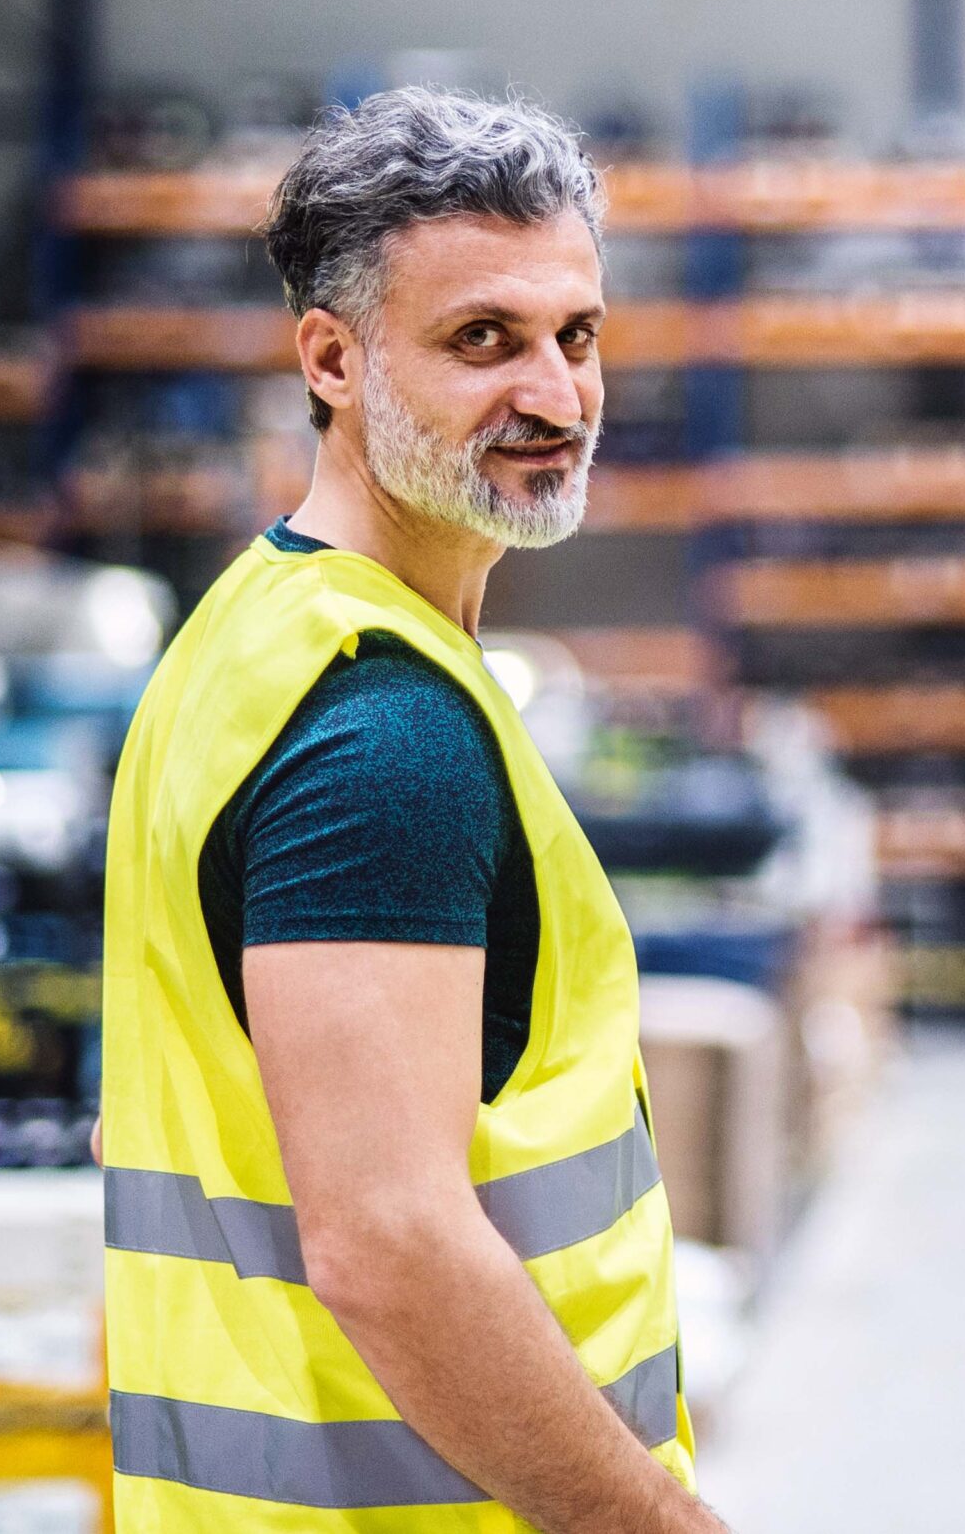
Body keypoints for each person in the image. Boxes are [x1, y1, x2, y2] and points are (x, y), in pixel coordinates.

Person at [96, 89, 725, 1533]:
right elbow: (391, 1244)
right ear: (331, 357)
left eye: (579, 336)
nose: (556, 396)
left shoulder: (256, 631)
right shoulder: (382, 729)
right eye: (481, 340)